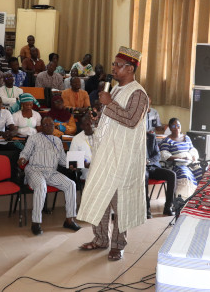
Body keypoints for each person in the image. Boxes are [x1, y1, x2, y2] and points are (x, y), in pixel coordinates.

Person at [78, 46, 148, 261]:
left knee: (121, 203)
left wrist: (110, 104)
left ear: (130, 68)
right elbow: (112, 116)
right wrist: (98, 115)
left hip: (124, 158)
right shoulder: (116, 89)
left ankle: (118, 245)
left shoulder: (138, 93)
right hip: (106, 153)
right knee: (100, 196)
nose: (114, 69)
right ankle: (100, 239)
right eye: (114, 65)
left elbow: (131, 120)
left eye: (118, 65)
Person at [17, 116, 80, 235]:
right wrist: (22, 159)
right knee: (41, 186)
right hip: (35, 170)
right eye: (45, 125)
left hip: (51, 172)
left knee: (71, 184)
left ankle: (69, 220)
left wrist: (71, 165)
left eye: (51, 125)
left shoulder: (57, 141)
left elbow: (62, 160)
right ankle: (36, 223)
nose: (49, 127)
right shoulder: (34, 138)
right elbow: (25, 152)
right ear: (40, 126)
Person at [159, 118, 203, 199]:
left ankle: (196, 198)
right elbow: (164, 155)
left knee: (202, 172)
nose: (176, 128)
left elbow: (192, 149)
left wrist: (193, 156)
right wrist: (181, 158)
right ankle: (182, 199)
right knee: (185, 175)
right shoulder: (167, 141)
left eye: (178, 125)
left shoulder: (187, 138)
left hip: (190, 163)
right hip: (176, 165)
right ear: (170, 127)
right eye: (174, 126)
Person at [145, 132, 176, 218]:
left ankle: (168, 207)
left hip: (153, 166)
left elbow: (157, 155)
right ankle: (146, 209)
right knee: (144, 176)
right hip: (141, 169)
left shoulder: (151, 137)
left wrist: (148, 161)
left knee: (172, 175)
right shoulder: (133, 137)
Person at [69, 114, 94, 182]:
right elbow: (72, 161)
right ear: (82, 126)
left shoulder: (100, 134)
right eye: (87, 124)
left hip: (103, 166)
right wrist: (82, 163)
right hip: (88, 170)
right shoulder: (76, 139)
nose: (90, 126)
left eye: (91, 123)